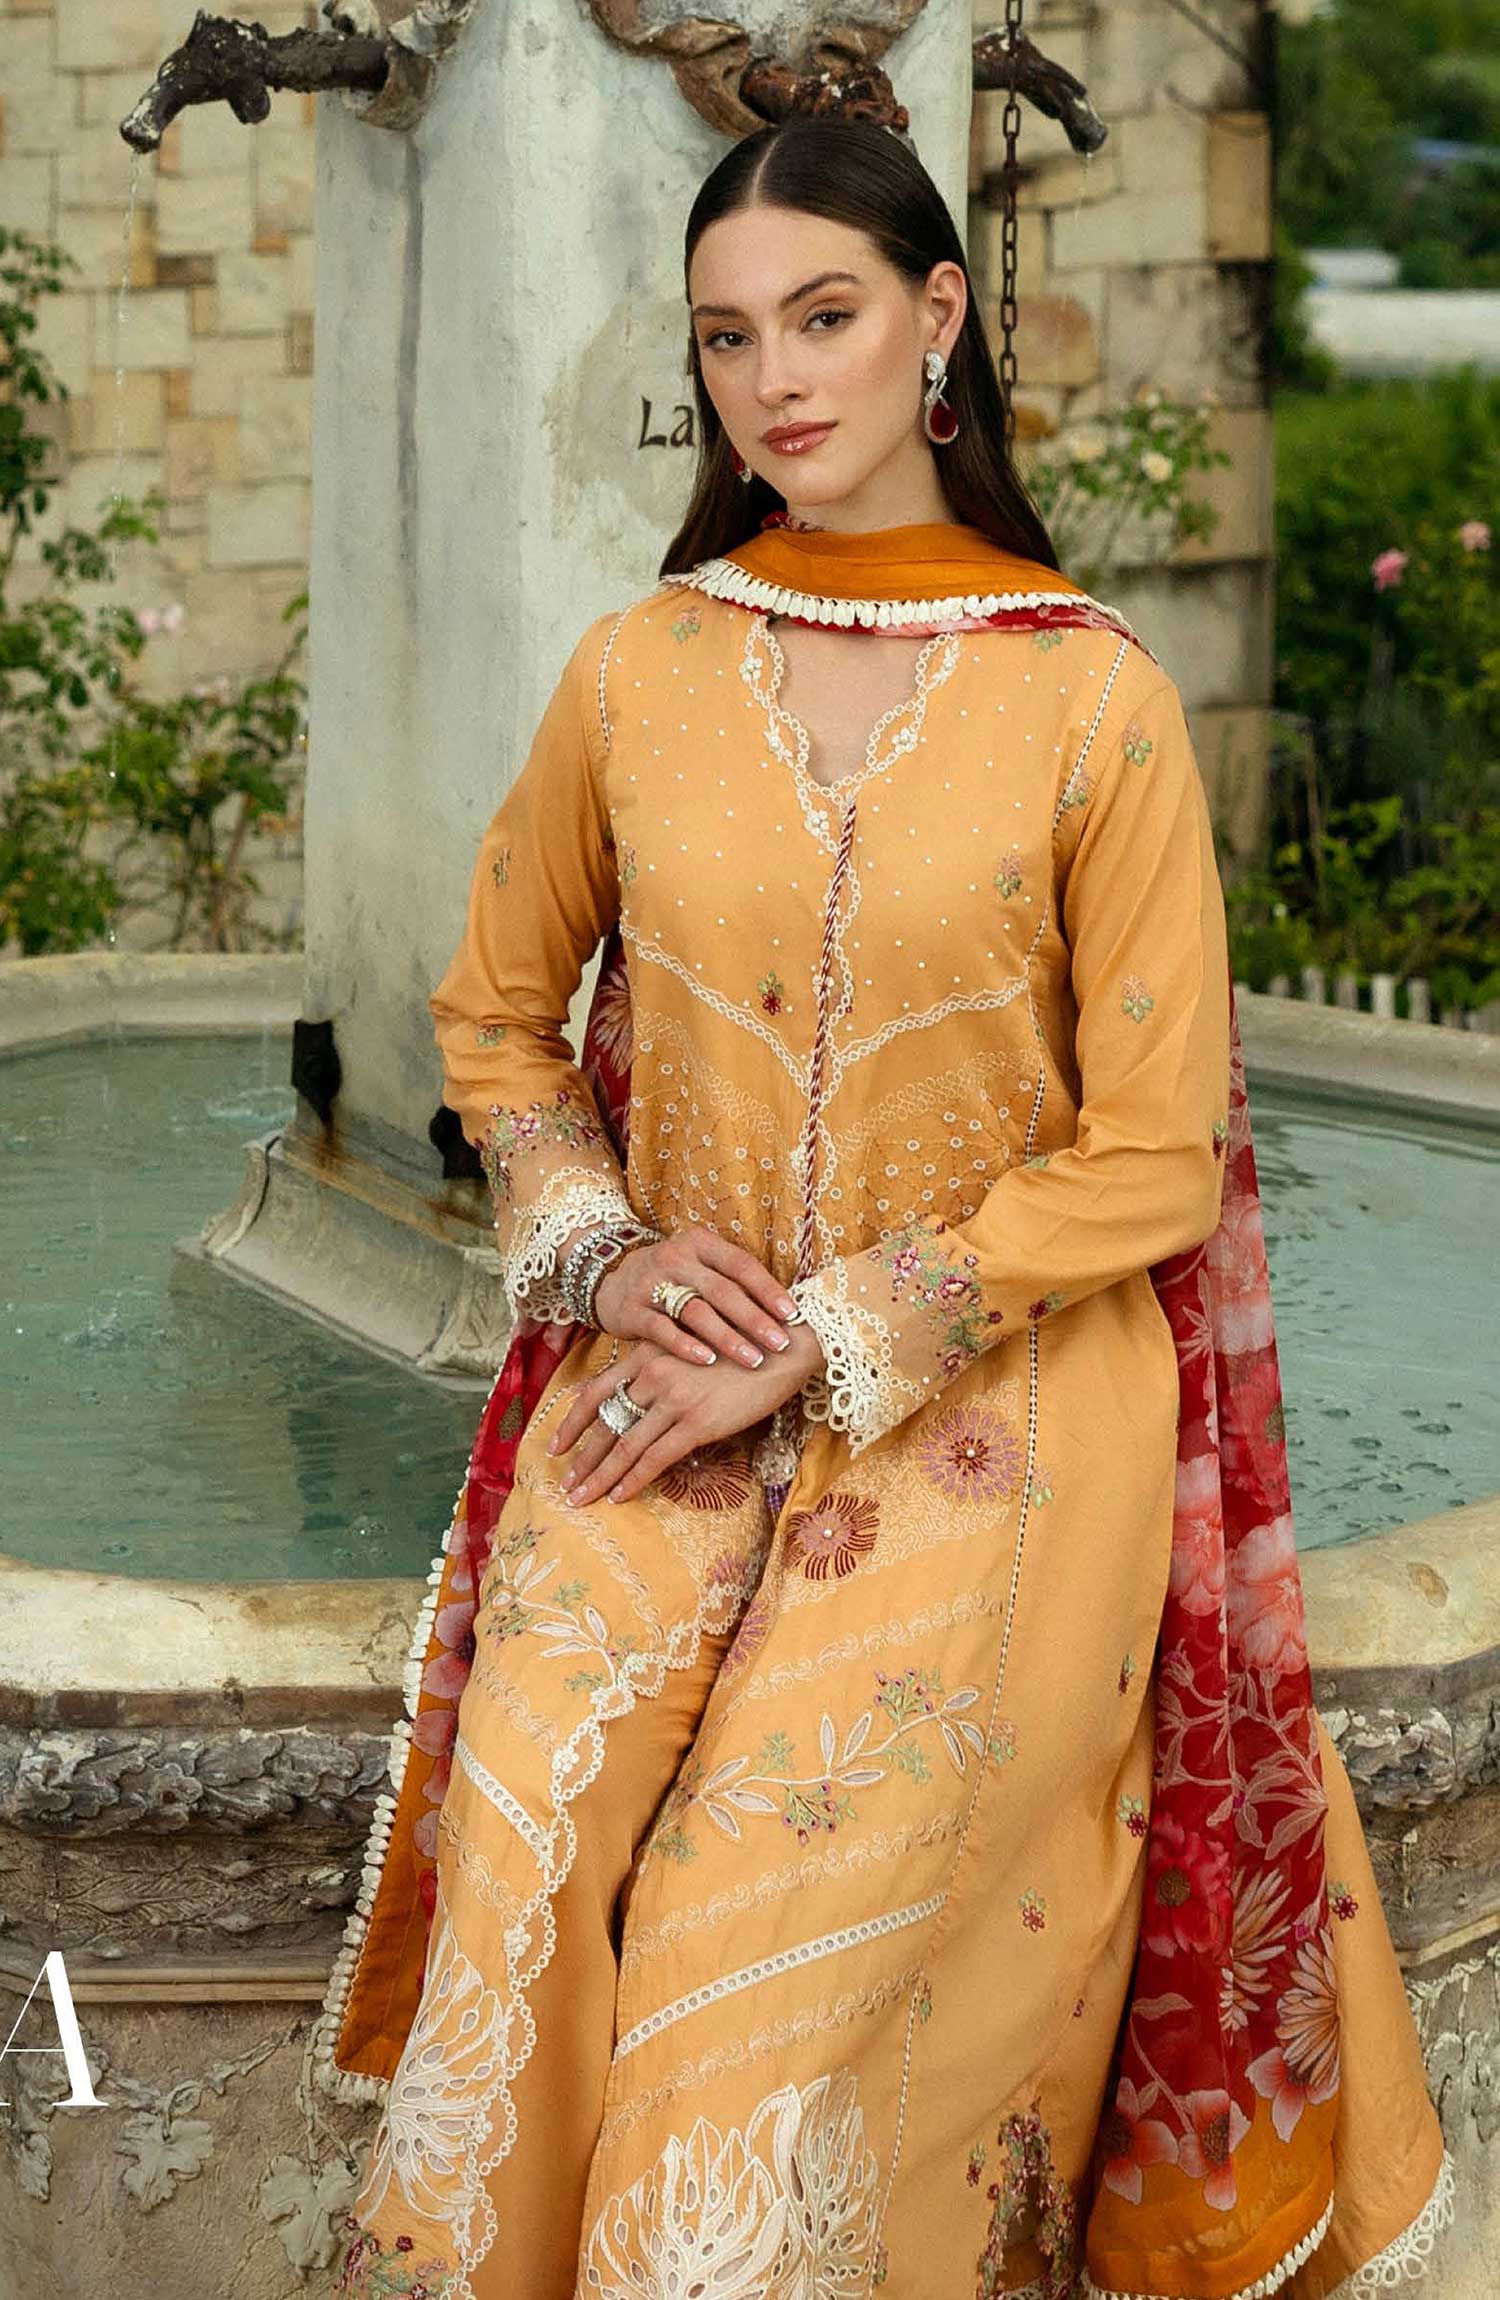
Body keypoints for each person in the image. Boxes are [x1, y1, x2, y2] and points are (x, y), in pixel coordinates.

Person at [314, 115, 1456, 2300]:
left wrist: (840, 1337)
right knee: (527, 1835)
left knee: (743, 1988)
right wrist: (609, 1256)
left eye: (821, 316)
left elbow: (1156, 1152)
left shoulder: (1091, 699)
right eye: (727, 337)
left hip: (990, 1407)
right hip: (666, 1385)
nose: (774, 379)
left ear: (938, 319)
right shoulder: (637, 670)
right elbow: (494, 1023)